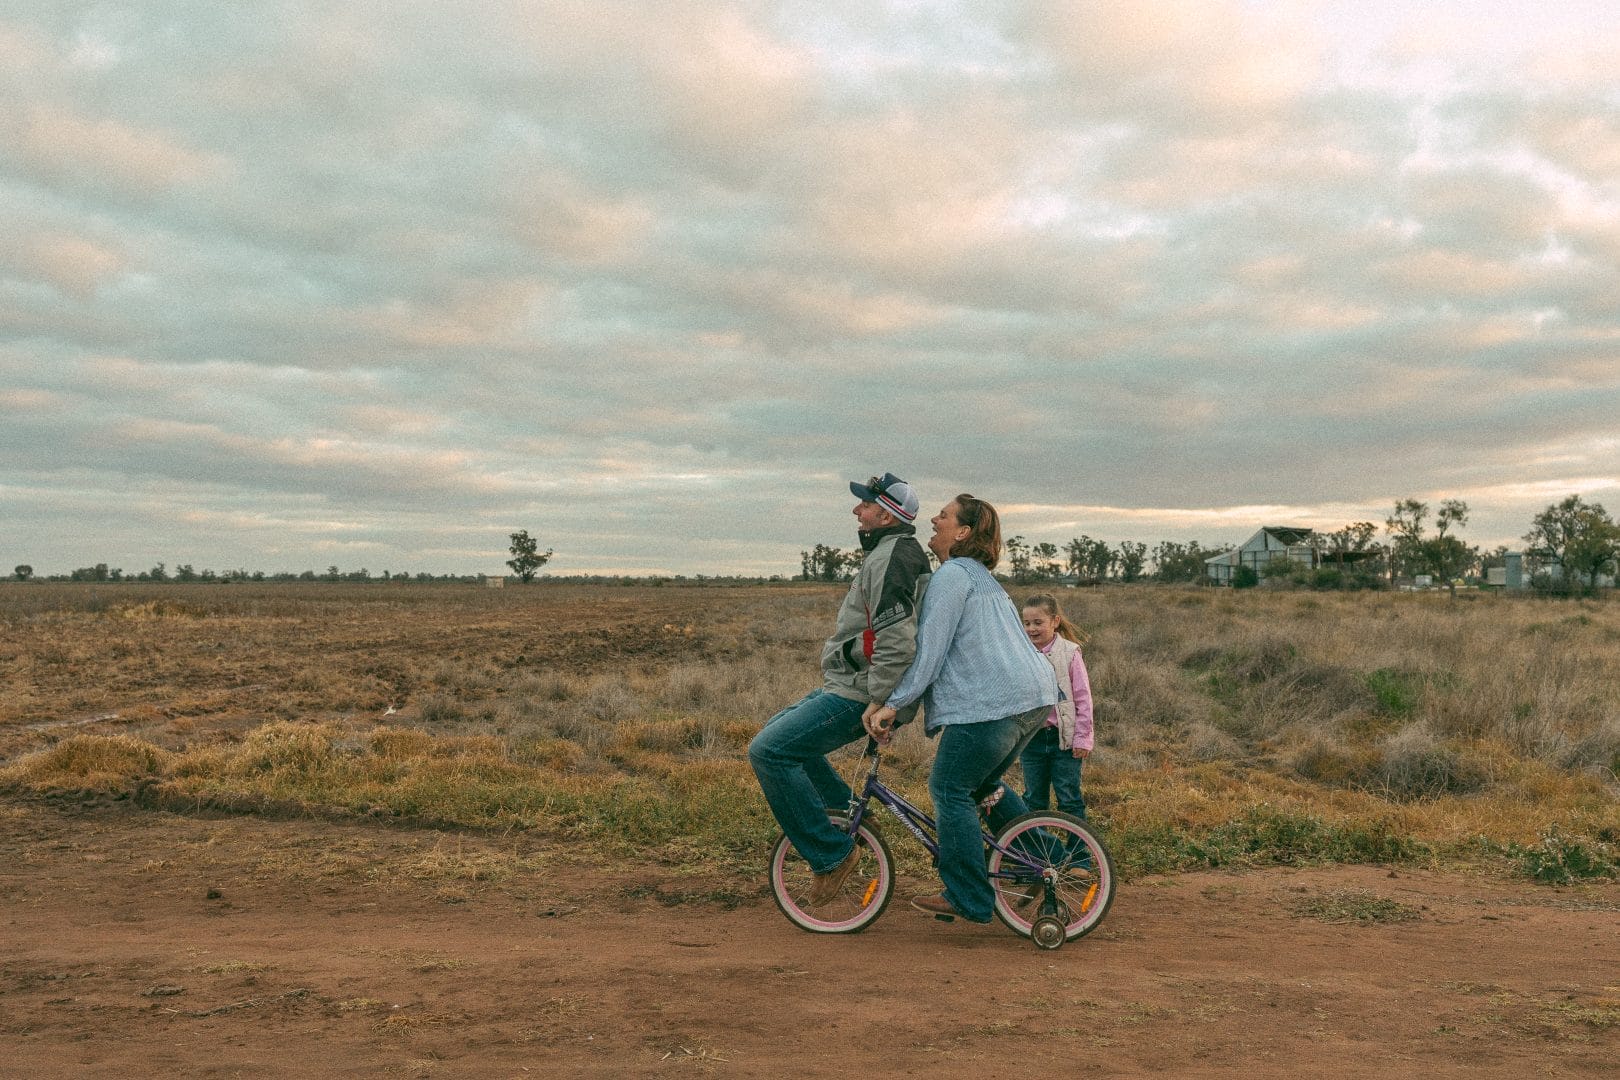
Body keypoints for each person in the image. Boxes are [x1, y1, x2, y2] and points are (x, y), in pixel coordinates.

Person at [862, 494, 1058, 924]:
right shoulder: (981, 577)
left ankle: (967, 895)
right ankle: (1054, 861)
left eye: (945, 516)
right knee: (982, 786)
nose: (934, 519)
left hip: (994, 703)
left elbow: (929, 652)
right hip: (1032, 698)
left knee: (949, 789)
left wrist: (893, 705)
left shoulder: (952, 575)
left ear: (964, 532)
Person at [748, 472, 931, 905]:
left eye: (865, 504)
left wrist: (882, 699)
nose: (856, 510)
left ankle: (831, 856)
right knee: (783, 736)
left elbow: (896, 637)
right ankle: (854, 824)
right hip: (850, 683)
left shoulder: (892, 557)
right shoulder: (888, 552)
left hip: (861, 692)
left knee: (769, 751)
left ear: (885, 514)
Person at [1018, 593, 1094, 821]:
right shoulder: (1021, 653)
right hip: (1032, 739)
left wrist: (1082, 738)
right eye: (1027, 623)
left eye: (1038, 622)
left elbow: (1083, 699)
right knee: (1033, 799)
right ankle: (1035, 852)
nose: (1032, 629)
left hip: (1065, 741)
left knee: (1069, 798)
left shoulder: (1070, 653)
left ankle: (1079, 852)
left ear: (1055, 621)